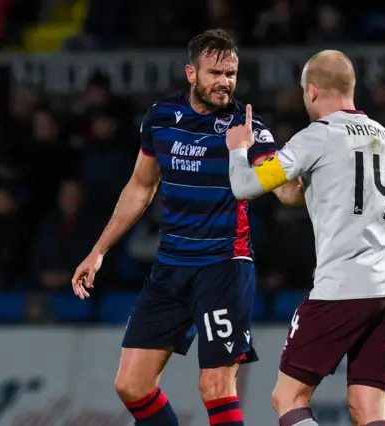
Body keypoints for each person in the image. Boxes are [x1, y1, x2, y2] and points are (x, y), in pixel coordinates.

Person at [71, 29, 302, 426]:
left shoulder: (247, 127)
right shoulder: (160, 119)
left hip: (223, 267)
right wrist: (99, 251)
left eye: (231, 73)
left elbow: (285, 193)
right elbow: (140, 189)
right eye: (215, 72)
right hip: (170, 267)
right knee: (131, 385)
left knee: (215, 386)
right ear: (191, 73)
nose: (225, 82)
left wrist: (299, 171)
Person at [226, 50, 385, 426]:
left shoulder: (318, 136)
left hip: (343, 288)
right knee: (368, 408)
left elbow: (243, 186)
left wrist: (238, 151)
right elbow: (310, 194)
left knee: (287, 397)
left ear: (312, 92)